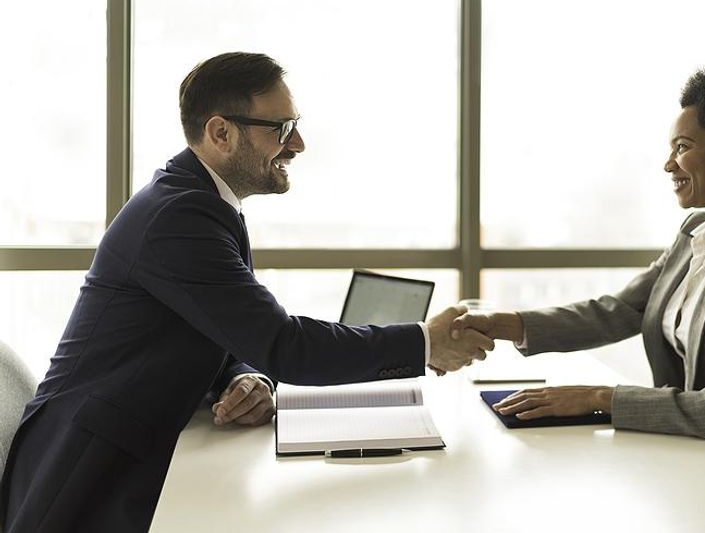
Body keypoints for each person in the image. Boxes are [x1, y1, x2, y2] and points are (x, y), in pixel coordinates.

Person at [0, 52, 493, 533]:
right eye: (281, 128)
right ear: (221, 133)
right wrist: (426, 342)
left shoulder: (199, 200)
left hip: (128, 449)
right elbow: (282, 343)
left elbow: (221, 327)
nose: (298, 143)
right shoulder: (180, 216)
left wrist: (244, 375)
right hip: (87, 477)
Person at [452, 60, 705, 520]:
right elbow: (618, 310)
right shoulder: (696, 233)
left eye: (683, 148)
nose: (669, 164)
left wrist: (598, 398)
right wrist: (508, 324)